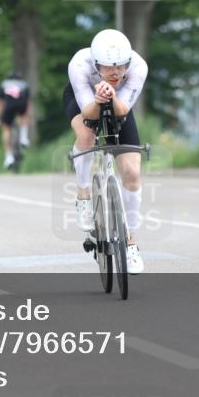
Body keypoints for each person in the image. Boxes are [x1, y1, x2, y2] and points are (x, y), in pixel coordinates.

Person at [64, 28, 147, 275]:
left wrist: (111, 97)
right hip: (86, 101)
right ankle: (83, 195)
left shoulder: (138, 67)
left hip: (120, 103)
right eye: (109, 67)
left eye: (121, 66)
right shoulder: (79, 64)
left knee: (132, 173)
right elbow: (88, 112)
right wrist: (99, 100)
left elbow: (123, 110)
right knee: (87, 134)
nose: (116, 73)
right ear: (96, 64)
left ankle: (131, 243)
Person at [0, 70, 31, 169]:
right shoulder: (24, 85)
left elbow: (0, 103)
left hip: (8, 106)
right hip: (21, 105)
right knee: (23, 116)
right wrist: (27, 116)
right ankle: (24, 138)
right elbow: (28, 103)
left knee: (6, 129)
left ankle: (8, 156)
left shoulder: (4, 84)